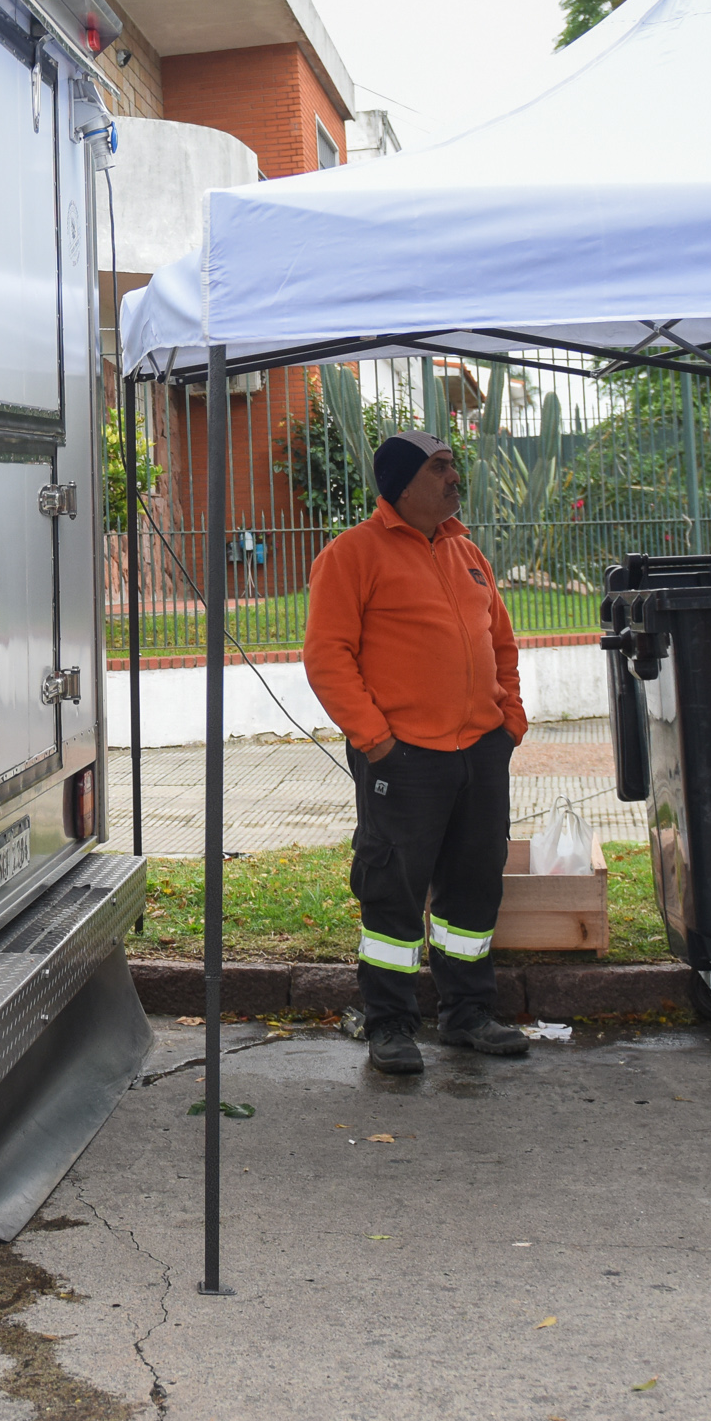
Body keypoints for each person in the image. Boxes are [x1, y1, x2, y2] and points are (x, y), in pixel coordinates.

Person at [302, 429, 533, 1074]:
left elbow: (502, 643)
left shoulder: (467, 552)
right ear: (404, 483)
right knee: (393, 894)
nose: (455, 478)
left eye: (454, 467)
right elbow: (327, 657)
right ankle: (391, 1026)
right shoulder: (353, 555)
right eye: (441, 468)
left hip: (479, 753)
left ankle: (467, 1015)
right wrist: (376, 741)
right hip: (402, 760)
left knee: (473, 890)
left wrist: (507, 721)